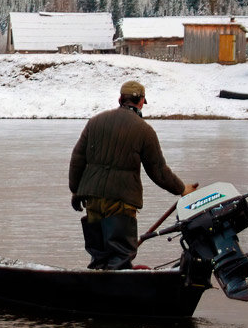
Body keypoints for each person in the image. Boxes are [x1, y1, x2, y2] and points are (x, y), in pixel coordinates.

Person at [68, 80, 194, 270]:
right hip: (121, 202)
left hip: (92, 198)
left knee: (99, 256)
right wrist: (182, 189)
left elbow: (77, 158)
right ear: (141, 102)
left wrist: (76, 190)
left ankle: (96, 291)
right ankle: (121, 293)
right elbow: (158, 171)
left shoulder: (95, 122)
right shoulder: (144, 130)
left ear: (120, 99)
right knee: (119, 257)